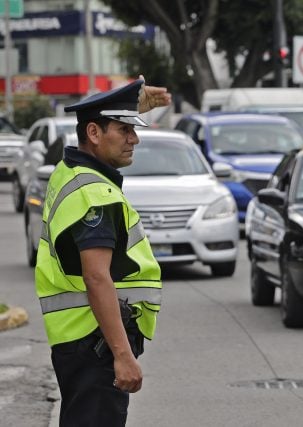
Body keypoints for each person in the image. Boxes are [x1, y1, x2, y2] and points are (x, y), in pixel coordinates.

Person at [34, 77, 171, 426]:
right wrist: (123, 355)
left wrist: (130, 109)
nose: (134, 139)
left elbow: (92, 128)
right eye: (125, 129)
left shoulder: (71, 171)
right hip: (94, 344)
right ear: (94, 133)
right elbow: (97, 277)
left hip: (77, 343)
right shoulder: (95, 195)